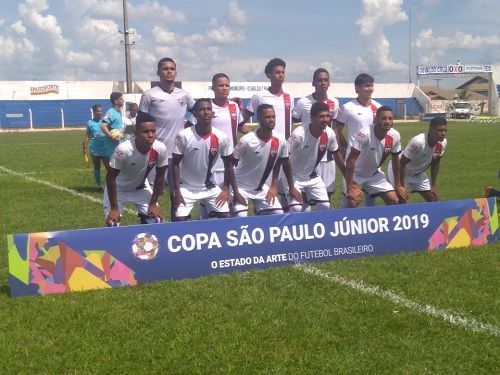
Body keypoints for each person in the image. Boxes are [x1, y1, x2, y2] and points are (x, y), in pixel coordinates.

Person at [171, 99, 243, 221]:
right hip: (186, 187)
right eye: (201, 109)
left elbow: (228, 165)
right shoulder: (183, 135)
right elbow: (175, 164)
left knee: (226, 217)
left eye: (209, 109)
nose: (206, 112)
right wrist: (177, 191)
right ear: (194, 114)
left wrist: (226, 189)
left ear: (213, 113)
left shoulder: (221, 137)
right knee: (180, 220)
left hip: (209, 187)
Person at [186, 73, 243, 218]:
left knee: (227, 202)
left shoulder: (235, 107)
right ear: (213, 87)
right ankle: (204, 228)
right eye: (220, 85)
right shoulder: (206, 108)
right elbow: (189, 128)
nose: (224, 88)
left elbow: (240, 128)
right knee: (209, 202)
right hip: (210, 164)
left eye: (226, 85)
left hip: (229, 163)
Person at [233, 104, 302, 217]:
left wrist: (276, 186)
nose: (271, 120)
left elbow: (282, 162)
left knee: (278, 215)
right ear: (258, 119)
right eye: (267, 117)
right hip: (241, 187)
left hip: (261, 188)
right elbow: (230, 165)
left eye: (273, 116)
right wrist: (234, 191)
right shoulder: (246, 141)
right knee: (241, 216)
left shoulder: (280, 140)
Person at [104, 112, 168, 226]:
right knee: (113, 223)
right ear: (136, 133)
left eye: (153, 131)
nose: (150, 135)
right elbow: (110, 178)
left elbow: (160, 176)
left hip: (141, 187)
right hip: (118, 189)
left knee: (156, 220)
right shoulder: (124, 149)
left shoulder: (160, 148)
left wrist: (153, 204)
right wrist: (114, 208)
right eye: (145, 131)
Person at [342, 106, 407, 208]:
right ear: (376, 120)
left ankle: (381, 223)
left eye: (390, 118)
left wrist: (398, 185)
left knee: (394, 200)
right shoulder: (365, 133)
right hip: (355, 174)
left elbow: (395, 161)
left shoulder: (395, 135)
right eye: (383, 118)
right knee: (352, 203)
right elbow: (350, 160)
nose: (387, 122)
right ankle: (340, 219)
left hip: (374, 174)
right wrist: (350, 187)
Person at [287, 102, 345, 212]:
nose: (325, 119)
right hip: (293, 176)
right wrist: (291, 186)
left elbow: (336, 154)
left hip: (311, 176)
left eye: (327, 116)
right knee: (296, 208)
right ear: (312, 118)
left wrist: (348, 179)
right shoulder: (298, 134)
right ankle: (296, 228)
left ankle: (317, 227)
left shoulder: (329, 133)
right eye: (321, 116)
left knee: (325, 206)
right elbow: (284, 158)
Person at [293, 68, 340, 199]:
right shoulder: (303, 102)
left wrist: (337, 147)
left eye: (326, 80)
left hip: (326, 153)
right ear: (313, 83)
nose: (323, 83)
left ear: (329, 83)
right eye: (319, 80)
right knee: (305, 195)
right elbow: (293, 120)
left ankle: (323, 218)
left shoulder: (334, 102)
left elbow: (334, 126)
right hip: (306, 154)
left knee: (327, 193)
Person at [139, 57, 195, 161]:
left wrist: (189, 128)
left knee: (177, 178)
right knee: (157, 178)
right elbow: (140, 123)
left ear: (176, 72)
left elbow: (198, 113)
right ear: (158, 72)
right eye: (165, 69)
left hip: (179, 151)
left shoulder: (184, 95)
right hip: (156, 149)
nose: (169, 71)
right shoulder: (148, 95)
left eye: (172, 69)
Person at [388, 116, 447, 202]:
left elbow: (436, 163)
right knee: (400, 199)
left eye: (445, 130)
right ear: (431, 130)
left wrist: (433, 185)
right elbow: (402, 163)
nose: (443, 133)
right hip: (399, 170)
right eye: (440, 130)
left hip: (418, 173)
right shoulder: (418, 142)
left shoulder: (443, 143)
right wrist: (401, 185)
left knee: (433, 198)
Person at [240, 58, 294, 139]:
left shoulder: (289, 96)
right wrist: (254, 135)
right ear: (268, 75)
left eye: (283, 72)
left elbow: (291, 121)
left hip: (285, 146)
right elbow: (240, 122)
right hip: (265, 146)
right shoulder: (259, 97)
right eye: (277, 72)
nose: (281, 75)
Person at [335, 73, 381, 157]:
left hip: (373, 155)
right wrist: (343, 148)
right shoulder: (347, 107)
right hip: (354, 155)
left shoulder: (378, 107)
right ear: (357, 88)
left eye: (372, 86)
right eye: (367, 86)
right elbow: (336, 131)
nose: (370, 89)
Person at [83, 104, 109, 189]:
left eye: (101, 111)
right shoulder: (90, 123)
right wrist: (85, 147)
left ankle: (110, 184)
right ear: (94, 112)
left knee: (109, 167)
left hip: (105, 148)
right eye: (98, 111)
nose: (100, 113)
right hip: (95, 148)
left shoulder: (105, 122)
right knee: (97, 167)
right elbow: (87, 136)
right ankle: (98, 185)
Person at [101, 92, 125, 159]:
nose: (123, 100)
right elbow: (103, 126)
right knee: (114, 168)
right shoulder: (110, 112)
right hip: (113, 146)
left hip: (119, 144)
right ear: (116, 101)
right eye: (121, 99)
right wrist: (111, 136)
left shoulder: (118, 112)